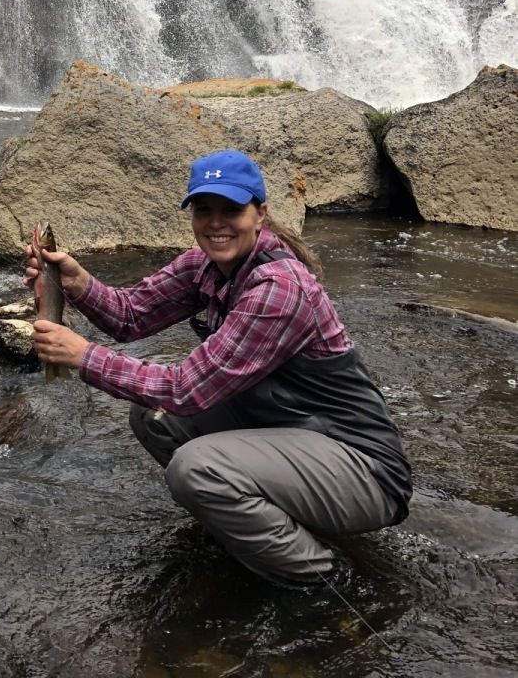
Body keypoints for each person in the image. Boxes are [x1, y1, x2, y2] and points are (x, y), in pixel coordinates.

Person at [24, 149, 411, 589]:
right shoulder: (203, 265)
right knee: (154, 418)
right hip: (294, 432)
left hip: (364, 470)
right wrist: (76, 283)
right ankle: (256, 526)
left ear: (260, 214)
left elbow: (185, 389)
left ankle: (326, 579)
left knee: (197, 468)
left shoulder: (280, 289)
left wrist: (82, 355)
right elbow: (130, 317)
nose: (216, 222)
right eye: (203, 209)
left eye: (231, 209)